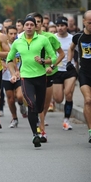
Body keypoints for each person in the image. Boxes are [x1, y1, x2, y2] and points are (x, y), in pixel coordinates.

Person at [7, 16, 56, 148]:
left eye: (31, 25)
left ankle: (37, 123)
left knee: (39, 107)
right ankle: (35, 134)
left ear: (35, 27)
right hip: (26, 77)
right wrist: (14, 73)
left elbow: (54, 57)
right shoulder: (18, 42)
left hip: (40, 76)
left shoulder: (43, 40)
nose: (29, 27)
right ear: (23, 27)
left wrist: (44, 62)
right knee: (31, 103)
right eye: (26, 24)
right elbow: (9, 59)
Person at [29, 12, 64, 141]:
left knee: (44, 104)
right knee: (33, 102)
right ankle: (41, 130)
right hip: (31, 74)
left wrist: (52, 66)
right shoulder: (24, 38)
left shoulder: (49, 37)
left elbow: (61, 54)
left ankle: (41, 126)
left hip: (48, 74)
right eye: (34, 21)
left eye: (38, 21)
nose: (36, 24)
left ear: (42, 23)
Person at [67, 10, 91, 143]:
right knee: (88, 100)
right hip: (85, 73)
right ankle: (90, 131)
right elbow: (71, 48)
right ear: (84, 22)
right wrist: (69, 62)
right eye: (90, 22)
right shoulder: (78, 37)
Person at [53, 16, 78, 131]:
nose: (60, 28)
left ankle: (66, 120)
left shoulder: (73, 38)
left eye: (62, 25)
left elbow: (79, 51)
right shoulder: (52, 39)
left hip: (69, 70)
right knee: (58, 99)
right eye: (58, 26)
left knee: (68, 94)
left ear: (66, 26)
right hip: (57, 70)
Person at [2, 25, 27, 128]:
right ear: (6, 34)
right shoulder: (3, 44)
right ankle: (14, 118)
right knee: (11, 99)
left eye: (14, 33)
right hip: (7, 75)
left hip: (19, 74)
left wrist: (20, 70)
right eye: (10, 34)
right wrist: (2, 64)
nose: (13, 36)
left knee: (20, 96)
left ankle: (21, 104)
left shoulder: (21, 44)